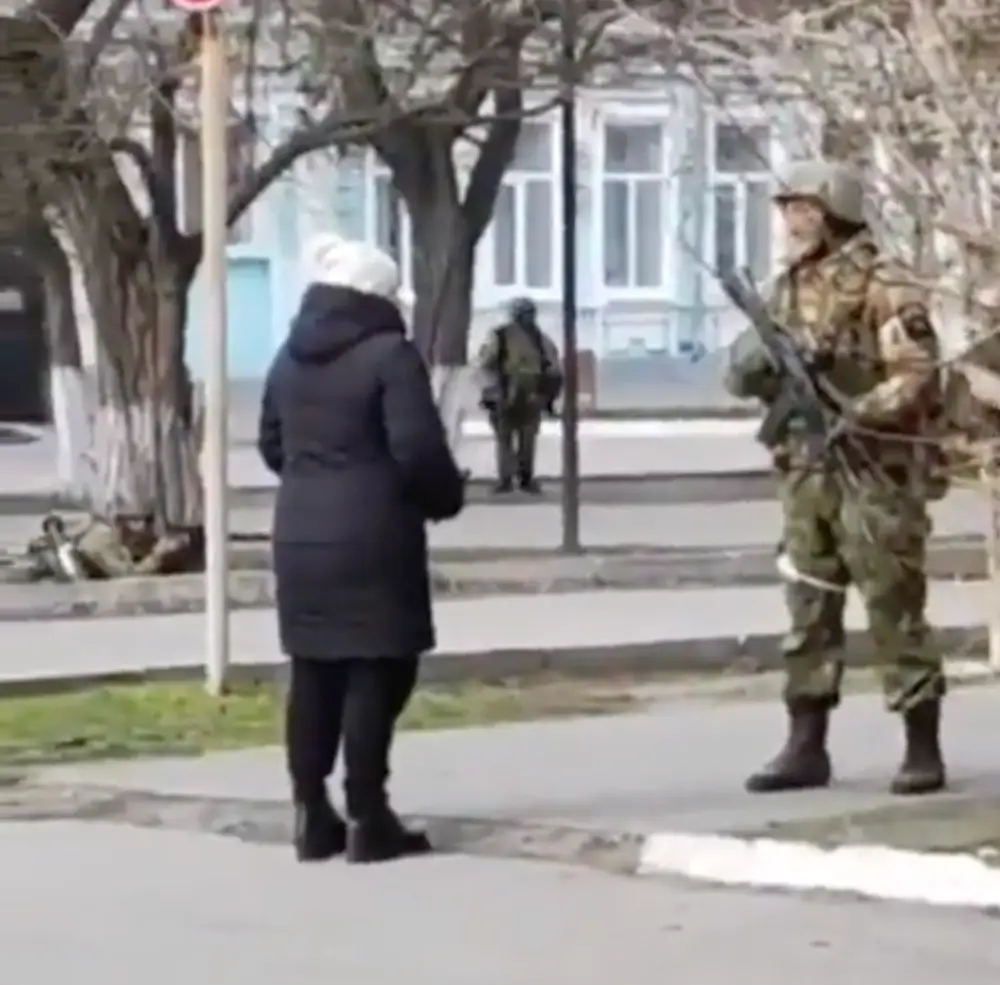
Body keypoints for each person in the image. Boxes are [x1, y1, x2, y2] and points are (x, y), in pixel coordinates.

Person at [723, 159, 948, 797]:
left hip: (874, 470)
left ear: (833, 211)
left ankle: (921, 745)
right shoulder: (787, 288)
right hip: (806, 471)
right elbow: (739, 378)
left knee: (893, 607)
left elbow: (916, 371)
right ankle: (805, 744)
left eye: (803, 207)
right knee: (808, 605)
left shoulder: (884, 283)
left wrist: (857, 411)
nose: (792, 219)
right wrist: (764, 359)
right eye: (788, 208)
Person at [257, 232, 466, 864]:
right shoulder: (389, 356)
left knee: (314, 671)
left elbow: (272, 445)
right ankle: (369, 816)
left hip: (298, 535)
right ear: (379, 296)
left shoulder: (288, 358)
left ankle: (310, 812)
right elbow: (417, 449)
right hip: (374, 537)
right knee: (378, 667)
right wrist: (444, 498)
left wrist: (313, 478)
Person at [477, 297, 563, 494]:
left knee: (510, 440)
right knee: (522, 440)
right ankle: (521, 479)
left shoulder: (502, 335)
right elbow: (554, 369)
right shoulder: (539, 339)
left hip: (514, 395)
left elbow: (485, 363)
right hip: (521, 395)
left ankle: (510, 479)